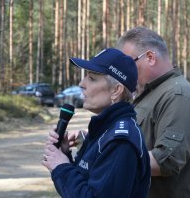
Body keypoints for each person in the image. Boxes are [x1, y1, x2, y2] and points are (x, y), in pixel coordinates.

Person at [41, 48, 151, 198]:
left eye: (92, 78)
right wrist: (64, 155)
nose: (81, 84)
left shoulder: (120, 141)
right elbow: (88, 185)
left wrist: (62, 167)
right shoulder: (104, 130)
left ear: (116, 90)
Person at [116, 27, 190, 198]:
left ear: (150, 58)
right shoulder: (150, 93)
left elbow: (166, 160)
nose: (124, 73)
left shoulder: (178, 95)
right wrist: (90, 141)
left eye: (128, 64)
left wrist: (109, 161)